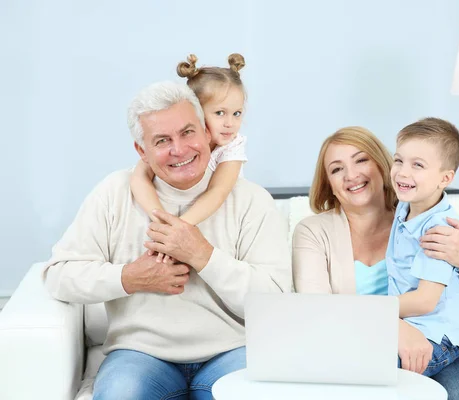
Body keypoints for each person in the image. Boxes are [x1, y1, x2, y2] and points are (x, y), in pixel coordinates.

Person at [42, 81, 292, 400]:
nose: (179, 149)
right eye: (162, 140)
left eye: (188, 132)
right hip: (140, 355)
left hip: (232, 350)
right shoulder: (113, 193)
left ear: (206, 131)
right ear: (141, 151)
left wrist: (203, 255)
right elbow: (59, 275)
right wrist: (129, 278)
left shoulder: (251, 200)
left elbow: (276, 300)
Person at [292, 126, 459, 400]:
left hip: (436, 344)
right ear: (327, 181)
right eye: (336, 169)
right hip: (364, 347)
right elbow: (317, 311)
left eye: (361, 160)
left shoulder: (420, 219)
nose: (351, 175)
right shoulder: (313, 232)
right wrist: (394, 325)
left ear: (380, 162)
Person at [131, 54, 247, 262]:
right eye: (220, 113)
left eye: (237, 113)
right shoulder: (169, 150)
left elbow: (218, 192)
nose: (230, 123)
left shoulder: (233, 146)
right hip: (181, 217)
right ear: (197, 113)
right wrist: (162, 223)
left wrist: (179, 229)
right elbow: (139, 178)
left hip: (215, 215)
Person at [387, 118, 459, 377]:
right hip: (405, 326)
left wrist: (370, 312)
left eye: (417, 165)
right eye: (398, 160)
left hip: (434, 340)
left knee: (358, 369)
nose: (402, 172)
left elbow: (424, 301)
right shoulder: (406, 205)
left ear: (444, 178)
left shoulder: (439, 230)